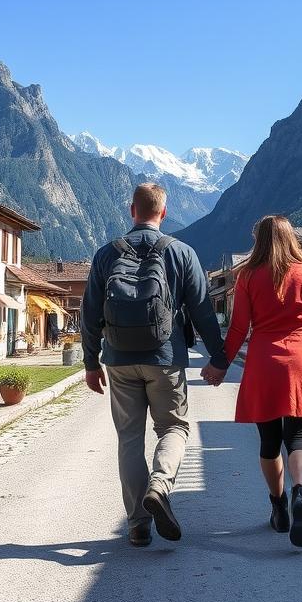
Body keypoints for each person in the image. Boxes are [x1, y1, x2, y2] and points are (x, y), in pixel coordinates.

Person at [81, 183, 228, 547]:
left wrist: (90, 363)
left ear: (132, 210)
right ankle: (160, 486)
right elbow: (203, 313)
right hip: (165, 359)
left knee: (129, 439)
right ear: (164, 212)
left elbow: (88, 314)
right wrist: (219, 358)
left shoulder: (105, 254)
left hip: (118, 360)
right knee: (173, 429)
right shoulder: (181, 253)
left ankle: (137, 525)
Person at [202, 215, 302, 547]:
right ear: (292, 238)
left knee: (269, 441)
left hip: (263, 362)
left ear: (258, 240)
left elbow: (238, 328)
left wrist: (220, 363)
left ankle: (278, 508)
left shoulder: (247, 275)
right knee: (299, 437)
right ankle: (300, 492)